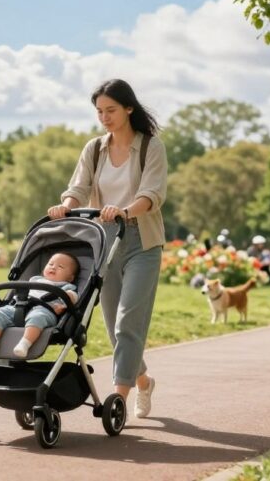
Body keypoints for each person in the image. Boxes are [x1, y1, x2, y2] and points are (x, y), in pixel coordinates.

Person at [49, 78, 167, 420]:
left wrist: (125, 211)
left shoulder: (150, 148)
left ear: (129, 108)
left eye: (111, 110)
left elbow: (153, 194)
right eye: (99, 111)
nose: (105, 117)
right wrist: (65, 205)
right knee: (114, 323)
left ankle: (119, 396)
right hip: (104, 243)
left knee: (129, 320)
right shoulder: (94, 148)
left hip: (141, 241)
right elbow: (78, 187)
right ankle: (143, 380)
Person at [0, 252, 80, 358]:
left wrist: (65, 303)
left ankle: (24, 344)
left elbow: (73, 297)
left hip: (44, 310)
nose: (53, 268)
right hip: (19, 306)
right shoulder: (35, 280)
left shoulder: (66, 285)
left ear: (70, 278)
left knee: (37, 317)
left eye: (60, 267)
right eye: (50, 264)